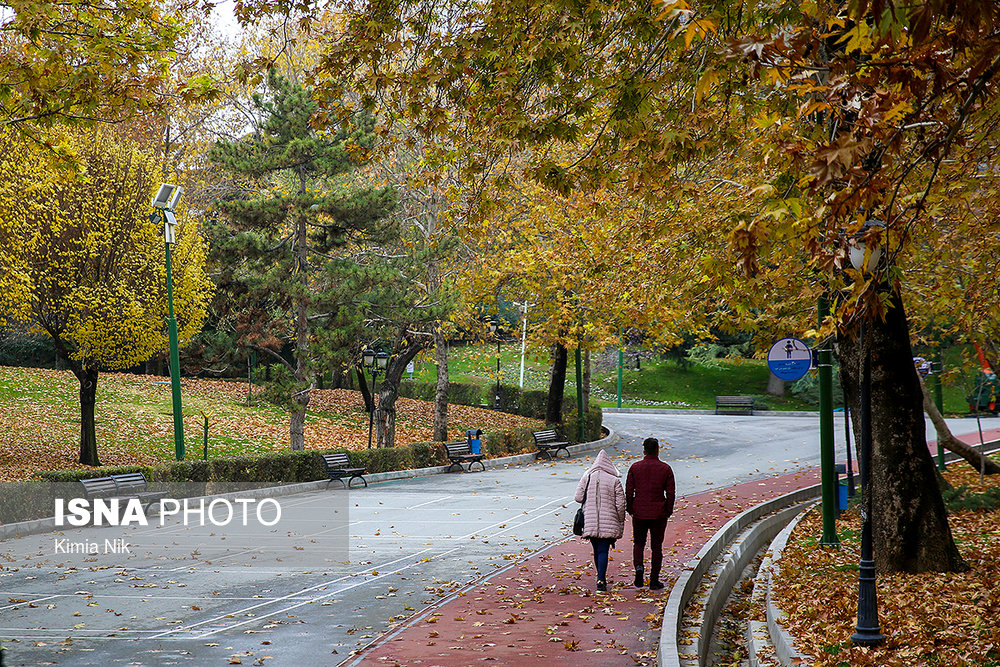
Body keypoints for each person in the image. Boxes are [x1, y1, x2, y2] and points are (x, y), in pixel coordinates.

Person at [625, 437, 675, 590]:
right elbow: (671, 493)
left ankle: (639, 568)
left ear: (644, 451)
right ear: (658, 450)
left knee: (639, 543)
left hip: (639, 511)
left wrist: (631, 506)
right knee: (656, 546)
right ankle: (654, 580)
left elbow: (629, 490)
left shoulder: (635, 467)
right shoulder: (665, 469)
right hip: (658, 513)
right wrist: (668, 509)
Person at [574, 449, 626, 592]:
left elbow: (578, 497)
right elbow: (621, 504)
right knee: (603, 550)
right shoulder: (614, 480)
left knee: (596, 550)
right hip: (609, 520)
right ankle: (601, 579)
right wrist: (620, 520)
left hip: (590, 520)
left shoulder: (587, 477)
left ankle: (600, 577)